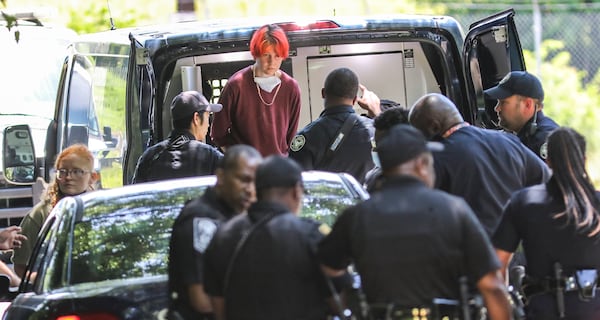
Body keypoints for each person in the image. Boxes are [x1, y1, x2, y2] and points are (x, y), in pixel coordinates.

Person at [318, 124, 512, 320]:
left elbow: (326, 270)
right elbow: (491, 285)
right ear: (421, 164)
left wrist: (344, 308)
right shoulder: (454, 210)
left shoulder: (356, 216)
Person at [204, 155, 333, 320]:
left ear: (257, 191)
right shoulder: (312, 234)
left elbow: (220, 311)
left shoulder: (222, 237)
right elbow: (340, 299)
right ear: (296, 191)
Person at [493, 127, 600, 320]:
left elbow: (496, 267)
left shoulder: (524, 201)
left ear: (548, 160)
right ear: (583, 160)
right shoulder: (597, 203)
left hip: (543, 311)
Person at [409, 93, 550, 236]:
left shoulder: (438, 157)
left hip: (470, 251)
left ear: (434, 127)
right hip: (513, 250)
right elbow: (548, 181)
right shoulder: (507, 141)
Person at [167, 145, 263, 320]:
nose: (251, 189)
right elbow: (202, 301)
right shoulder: (200, 220)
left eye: (256, 183)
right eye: (244, 180)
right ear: (221, 177)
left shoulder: (239, 215)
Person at [210, 24, 301, 157]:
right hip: (245, 169)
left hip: (277, 167)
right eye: (266, 55)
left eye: (277, 56)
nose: (272, 62)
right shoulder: (236, 85)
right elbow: (218, 134)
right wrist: (240, 160)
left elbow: (291, 137)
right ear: (256, 53)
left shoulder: (291, 87)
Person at [13, 144, 99, 278]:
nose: (68, 177)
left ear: (93, 177)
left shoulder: (100, 210)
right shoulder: (40, 214)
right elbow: (21, 266)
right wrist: (47, 281)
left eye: (77, 171)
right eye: (63, 172)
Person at [289, 67, 374, 184]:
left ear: (323, 93)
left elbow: (297, 184)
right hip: (369, 201)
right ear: (355, 100)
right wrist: (376, 112)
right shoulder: (374, 131)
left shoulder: (307, 136)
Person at [132, 91, 224, 183]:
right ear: (196, 118)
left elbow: (136, 195)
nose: (208, 124)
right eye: (208, 116)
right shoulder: (210, 157)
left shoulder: (149, 157)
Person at [484, 70, 559, 160]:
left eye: (503, 102)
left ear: (528, 105)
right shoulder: (527, 135)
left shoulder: (545, 139)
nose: (497, 108)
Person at [363, 106, 410, 192]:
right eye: (375, 143)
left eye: (382, 145)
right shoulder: (373, 177)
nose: (375, 150)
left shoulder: (424, 181)